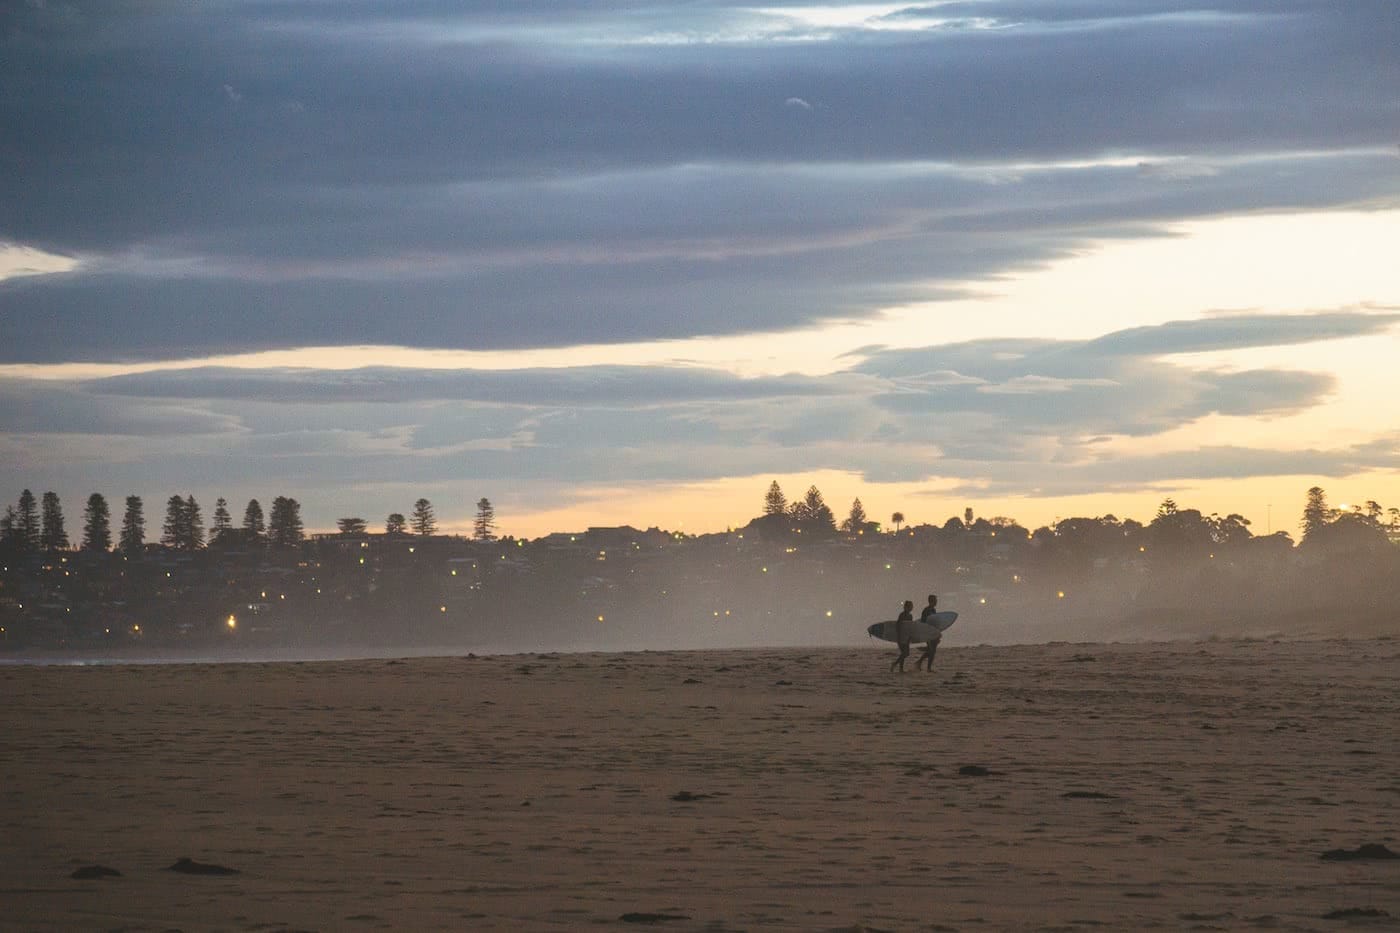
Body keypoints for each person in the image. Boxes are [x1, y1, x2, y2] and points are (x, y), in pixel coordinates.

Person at [916, 594, 941, 672]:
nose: (937, 602)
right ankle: (927, 668)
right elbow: (923, 622)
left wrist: (938, 633)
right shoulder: (926, 610)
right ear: (931, 601)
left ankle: (920, 663)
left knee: (932, 651)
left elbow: (935, 622)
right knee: (931, 650)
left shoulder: (933, 610)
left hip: (933, 632)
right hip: (927, 632)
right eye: (935, 600)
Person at [890, 599, 915, 673]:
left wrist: (910, 636)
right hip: (901, 637)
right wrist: (899, 636)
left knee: (905, 653)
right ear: (906, 607)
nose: (911, 608)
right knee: (905, 653)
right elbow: (898, 625)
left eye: (912, 606)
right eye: (910, 606)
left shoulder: (910, 616)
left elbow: (910, 627)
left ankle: (900, 669)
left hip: (906, 637)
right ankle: (894, 664)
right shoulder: (902, 615)